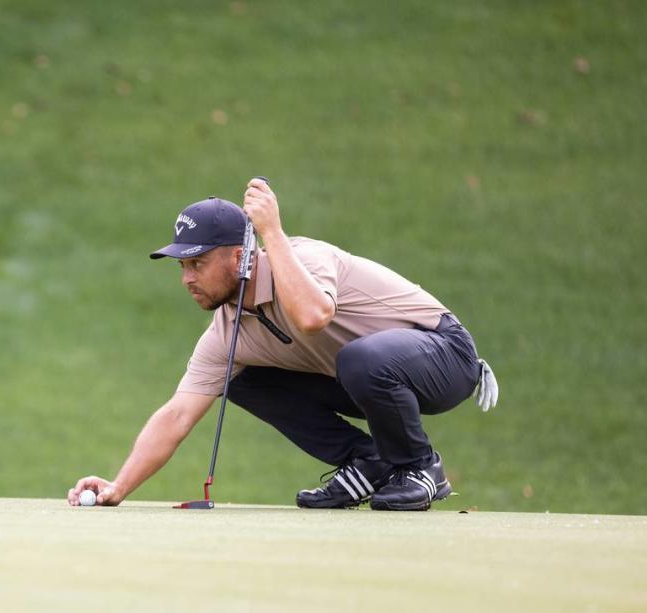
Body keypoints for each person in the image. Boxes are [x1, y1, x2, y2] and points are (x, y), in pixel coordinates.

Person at [67, 178, 498, 511]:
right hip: (362, 376)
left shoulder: (306, 258)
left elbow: (313, 317)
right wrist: (118, 486)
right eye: (182, 266)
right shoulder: (227, 331)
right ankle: (370, 461)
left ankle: (419, 467)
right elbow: (178, 413)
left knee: (361, 358)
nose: (187, 279)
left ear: (239, 257)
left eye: (197, 263)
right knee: (241, 379)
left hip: (445, 357)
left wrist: (270, 230)